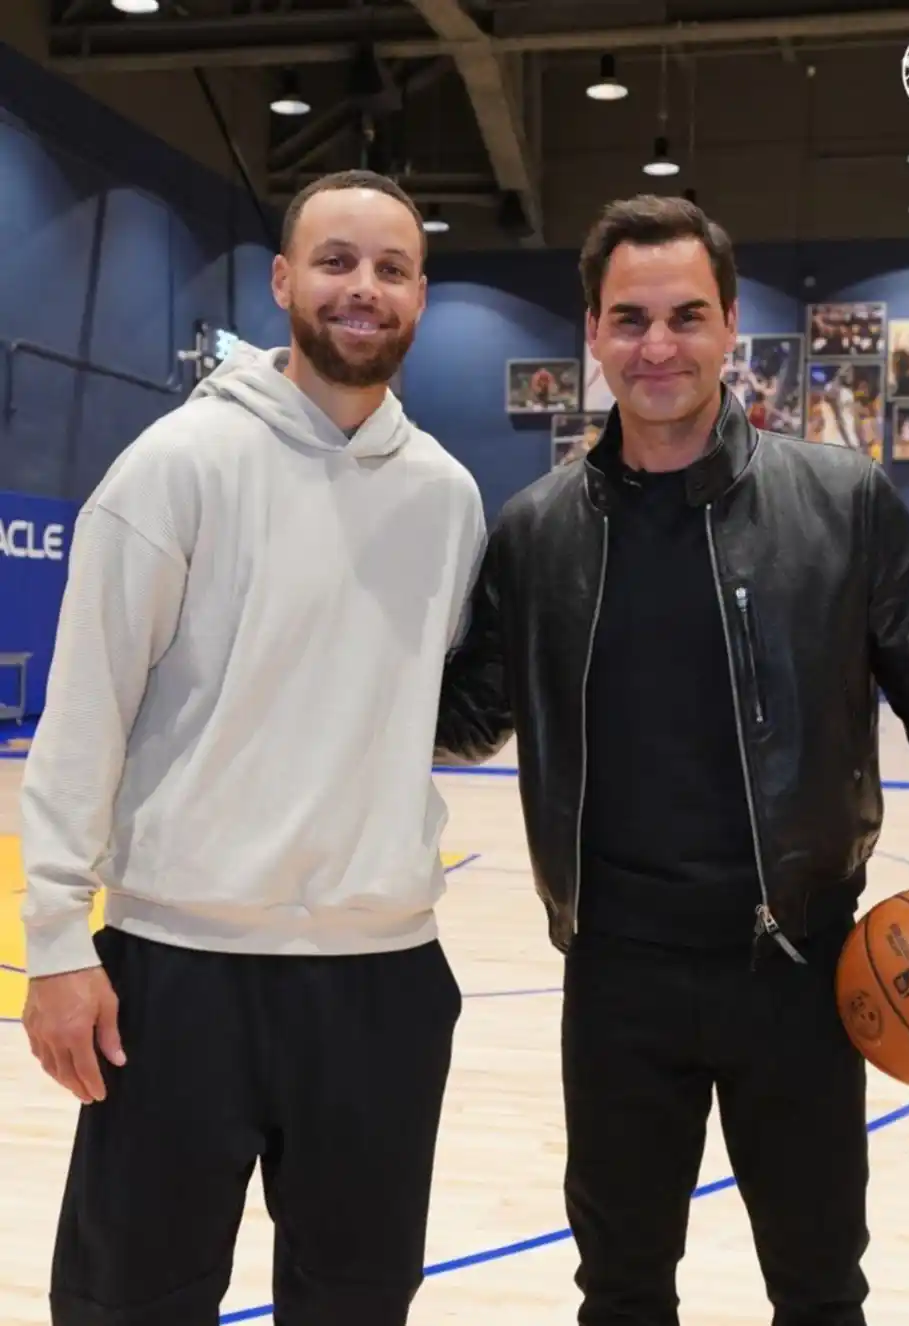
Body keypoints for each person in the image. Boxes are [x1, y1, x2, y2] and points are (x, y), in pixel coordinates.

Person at [434, 193, 909, 1326]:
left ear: (730, 324)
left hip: (798, 967)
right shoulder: (535, 532)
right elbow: (470, 719)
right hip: (615, 976)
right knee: (620, 1290)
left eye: (685, 316)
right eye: (630, 319)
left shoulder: (841, 500)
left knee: (820, 1290)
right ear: (591, 333)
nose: (658, 346)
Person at [20, 168, 486, 1326]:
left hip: (381, 975)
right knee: (134, 1300)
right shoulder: (175, 465)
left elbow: (429, 701)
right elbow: (82, 714)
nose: (362, 287)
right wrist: (57, 944)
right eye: (335, 261)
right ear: (282, 281)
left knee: (356, 1301)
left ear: (420, 297)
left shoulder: (447, 498)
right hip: (180, 971)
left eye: (390, 268)